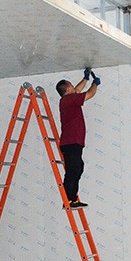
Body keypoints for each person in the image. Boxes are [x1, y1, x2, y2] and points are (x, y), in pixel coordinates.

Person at [55, 68, 101, 208]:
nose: (74, 87)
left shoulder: (68, 100)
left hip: (72, 142)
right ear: (68, 89)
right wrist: (95, 84)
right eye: (71, 85)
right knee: (74, 170)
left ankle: (72, 199)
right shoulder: (69, 99)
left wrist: (85, 78)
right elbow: (89, 94)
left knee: (77, 168)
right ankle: (68, 200)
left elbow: (77, 90)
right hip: (71, 143)